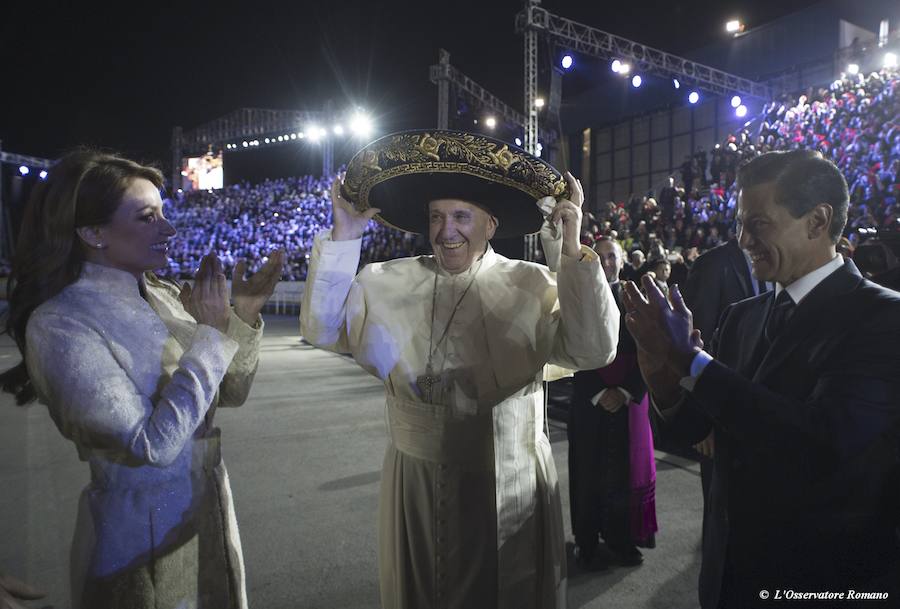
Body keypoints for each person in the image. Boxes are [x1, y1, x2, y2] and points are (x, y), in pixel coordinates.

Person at [301, 130, 619, 608]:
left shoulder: (533, 284)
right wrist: (345, 236)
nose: (446, 230)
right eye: (436, 217)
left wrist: (569, 252)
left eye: (461, 216)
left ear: (491, 225)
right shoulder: (385, 281)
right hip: (415, 483)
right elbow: (322, 330)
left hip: (509, 478)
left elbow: (595, 350)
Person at [0, 150, 282, 609]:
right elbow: (152, 445)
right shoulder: (61, 323)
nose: (168, 230)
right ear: (92, 232)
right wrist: (210, 335)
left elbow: (229, 392)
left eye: (164, 214)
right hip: (138, 533)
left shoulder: (164, 296)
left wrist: (243, 314)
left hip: (207, 509)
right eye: (148, 218)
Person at [623, 150, 900, 608]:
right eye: (739, 223)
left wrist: (692, 362)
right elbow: (697, 429)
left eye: (759, 223)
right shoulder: (741, 317)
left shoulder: (882, 317)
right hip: (730, 576)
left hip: (824, 579)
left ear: (817, 221)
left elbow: (820, 443)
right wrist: (662, 377)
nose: (742, 238)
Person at [567, 237, 653, 570]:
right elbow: (569, 347)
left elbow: (650, 350)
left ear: (622, 260)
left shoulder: (639, 299)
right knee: (587, 472)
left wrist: (627, 392)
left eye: (611, 256)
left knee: (624, 475)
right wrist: (600, 392)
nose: (606, 262)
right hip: (591, 401)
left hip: (628, 402)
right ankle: (585, 541)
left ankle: (622, 540)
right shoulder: (575, 296)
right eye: (599, 256)